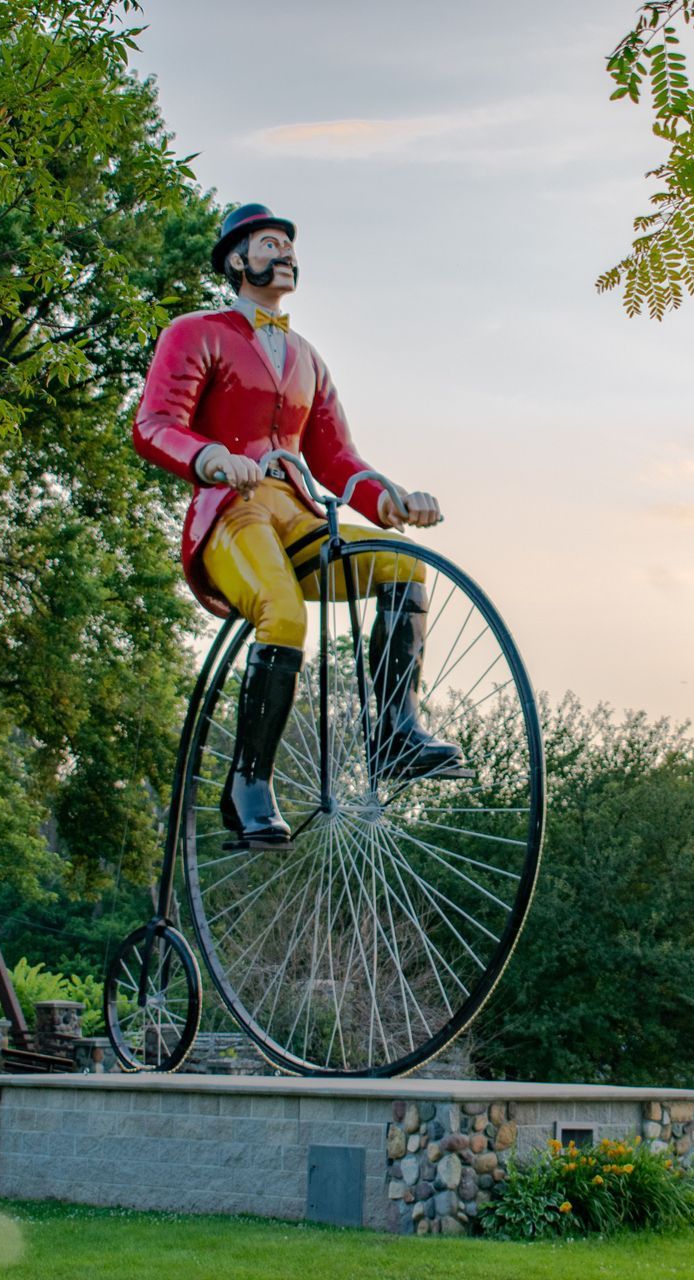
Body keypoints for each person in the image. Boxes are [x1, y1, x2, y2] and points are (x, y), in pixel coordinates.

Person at [133, 202, 464, 849]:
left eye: (286, 244)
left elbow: (337, 461)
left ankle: (395, 731)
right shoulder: (196, 332)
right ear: (236, 259)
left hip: (298, 511)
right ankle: (249, 783)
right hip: (235, 512)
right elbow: (154, 425)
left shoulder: (309, 358)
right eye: (267, 243)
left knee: (403, 564)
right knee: (283, 615)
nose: (282, 253)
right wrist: (210, 457)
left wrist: (392, 499)